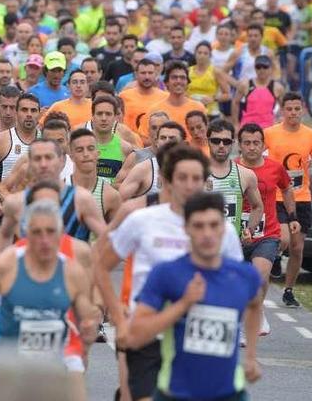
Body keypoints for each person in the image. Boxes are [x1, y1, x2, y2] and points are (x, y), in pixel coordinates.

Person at [94, 144, 244, 401]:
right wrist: (118, 317)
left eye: (196, 178)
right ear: (167, 181)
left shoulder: (221, 230)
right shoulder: (143, 220)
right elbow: (101, 266)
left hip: (197, 336)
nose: (189, 185)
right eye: (182, 178)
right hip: (147, 330)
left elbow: (236, 282)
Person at [127, 192, 263, 401]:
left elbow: (255, 306)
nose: (207, 234)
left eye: (214, 225)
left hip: (230, 394)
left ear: (224, 228)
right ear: (186, 229)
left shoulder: (245, 275)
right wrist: (183, 305)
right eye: (199, 226)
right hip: (175, 393)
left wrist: (251, 356)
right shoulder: (167, 274)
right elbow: (136, 336)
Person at [0, 199, 99, 401]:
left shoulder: (72, 271)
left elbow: (86, 315)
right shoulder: (6, 264)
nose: (44, 240)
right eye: (37, 232)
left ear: (61, 235)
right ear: (26, 234)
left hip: (59, 357)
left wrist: (89, 327)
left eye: (51, 232)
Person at [237, 122, 299, 336]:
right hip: (237, 233)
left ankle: (255, 313)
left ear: (263, 145)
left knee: (260, 275)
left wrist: (292, 216)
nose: (252, 147)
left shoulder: (275, 167)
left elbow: (287, 188)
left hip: (267, 233)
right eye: (247, 143)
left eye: (256, 143)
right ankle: (248, 314)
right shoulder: (233, 168)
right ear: (240, 145)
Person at [263, 93, 312, 307]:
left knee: (297, 248)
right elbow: (252, 152)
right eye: (289, 109)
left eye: (297, 109)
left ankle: (289, 290)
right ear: (282, 110)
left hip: (302, 196)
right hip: (278, 195)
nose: (293, 113)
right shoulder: (270, 133)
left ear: (303, 110)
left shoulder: (311, 136)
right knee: (284, 239)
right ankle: (278, 257)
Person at [205, 119, 264, 239]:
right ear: (208, 142)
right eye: (216, 141)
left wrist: (249, 230)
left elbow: (258, 207)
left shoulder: (245, 175)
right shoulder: (195, 173)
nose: (221, 145)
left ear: (233, 143)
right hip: (202, 244)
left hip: (232, 245)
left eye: (226, 141)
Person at [69, 128, 122, 238]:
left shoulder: (111, 195)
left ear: (98, 154)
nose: (86, 154)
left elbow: (116, 239)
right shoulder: (62, 188)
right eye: (79, 150)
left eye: (90, 149)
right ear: (71, 156)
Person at [117, 121, 185, 200]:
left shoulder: (194, 168)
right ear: (157, 142)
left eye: (172, 138)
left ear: (183, 143)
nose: (167, 142)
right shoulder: (143, 168)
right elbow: (120, 201)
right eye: (163, 138)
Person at [141, 61, 206, 142]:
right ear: (166, 82)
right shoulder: (155, 110)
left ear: (187, 82)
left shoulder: (198, 108)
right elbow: (144, 138)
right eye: (174, 77)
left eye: (182, 78)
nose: (178, 81)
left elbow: (206, 137)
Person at [0, 93, 41, 182]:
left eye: (33, 110)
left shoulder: (47, 140)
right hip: (7, 194)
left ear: (39, 114)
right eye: (24, 110)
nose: (29, 114)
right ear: (16, 112)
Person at [82, 96, 135, 183]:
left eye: (108, 114)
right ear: (92, 116)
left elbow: (126, 184)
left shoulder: (125, 148)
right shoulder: (81, 145)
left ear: (115, 117)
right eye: (99, 114)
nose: (104, 118)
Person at [119, 58, 168, 142]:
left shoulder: (165, 97)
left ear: (156, 74)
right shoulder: (123, 96)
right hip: (130, 144)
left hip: (157, 146)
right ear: (136, 74)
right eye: (143, 73)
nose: (147, 77)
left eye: (150, 73)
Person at [232, 55, 284, 130]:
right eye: (258, 67)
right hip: (248, 127)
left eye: (265, 67)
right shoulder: (245, 85)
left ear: (270, 68)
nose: (261, 70)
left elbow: (284, 106)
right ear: (255, 68)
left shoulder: (277, 88)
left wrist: (280, 118)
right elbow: (235, 102)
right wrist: (235, 124)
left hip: (269, 128)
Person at [187, 41, 228, 119]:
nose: (202, 56)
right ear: (195, 54)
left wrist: (213, 98)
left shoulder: (216, 72)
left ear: (210, 55)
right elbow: (182, 92)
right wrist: (188, 98)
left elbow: (227, 95)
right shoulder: (188, 71)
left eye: (205, 53)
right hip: (191, 112)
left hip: (211, 113)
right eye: (199, 53)